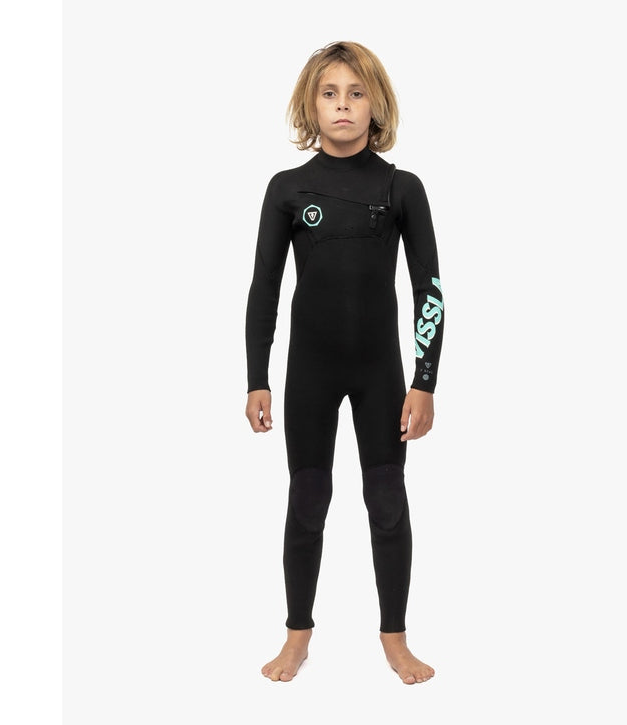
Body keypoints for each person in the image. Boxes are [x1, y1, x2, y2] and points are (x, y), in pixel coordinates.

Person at [244, 40, 444, 685]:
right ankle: (297, 636)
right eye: (329, 93)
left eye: (357, 93)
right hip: (310, 372)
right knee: (308, 499)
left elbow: (430, 290)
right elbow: (264, 289)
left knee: (387, 500)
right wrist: (256, 379)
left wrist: (424, 382)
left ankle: (395, 638)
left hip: (380, 372)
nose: (343, 106)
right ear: (311, 103)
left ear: (376, 104)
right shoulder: (287, 189)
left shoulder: (401, 188)